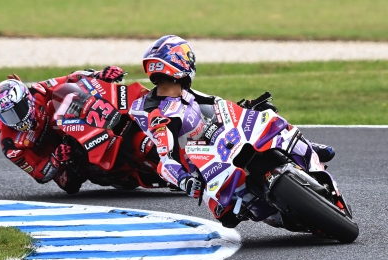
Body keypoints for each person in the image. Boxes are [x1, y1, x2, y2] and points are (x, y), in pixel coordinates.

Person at [128, 35, 335, 226]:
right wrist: (184, 180)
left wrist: (248, 107)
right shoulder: (159, 114)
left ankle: (304, 146)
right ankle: (280, 213)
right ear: (179, 61)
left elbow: (217, 104)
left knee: (269, 116)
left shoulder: (185, 92)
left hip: (222, 138)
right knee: (227, 215)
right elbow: (166, 160)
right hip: (201, 167)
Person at [0, 66, 126, 194]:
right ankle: (94, 168)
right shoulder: (10, 145)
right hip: (56, 151)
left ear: (27, 99)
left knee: (68, 93)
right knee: (69, 184)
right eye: (7, 116)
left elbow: (70, 78)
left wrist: (97, 75)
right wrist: (55, 158)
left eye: (17, 111)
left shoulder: (37, 91)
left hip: (66, 124)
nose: (15, 119)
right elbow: (38, 174)